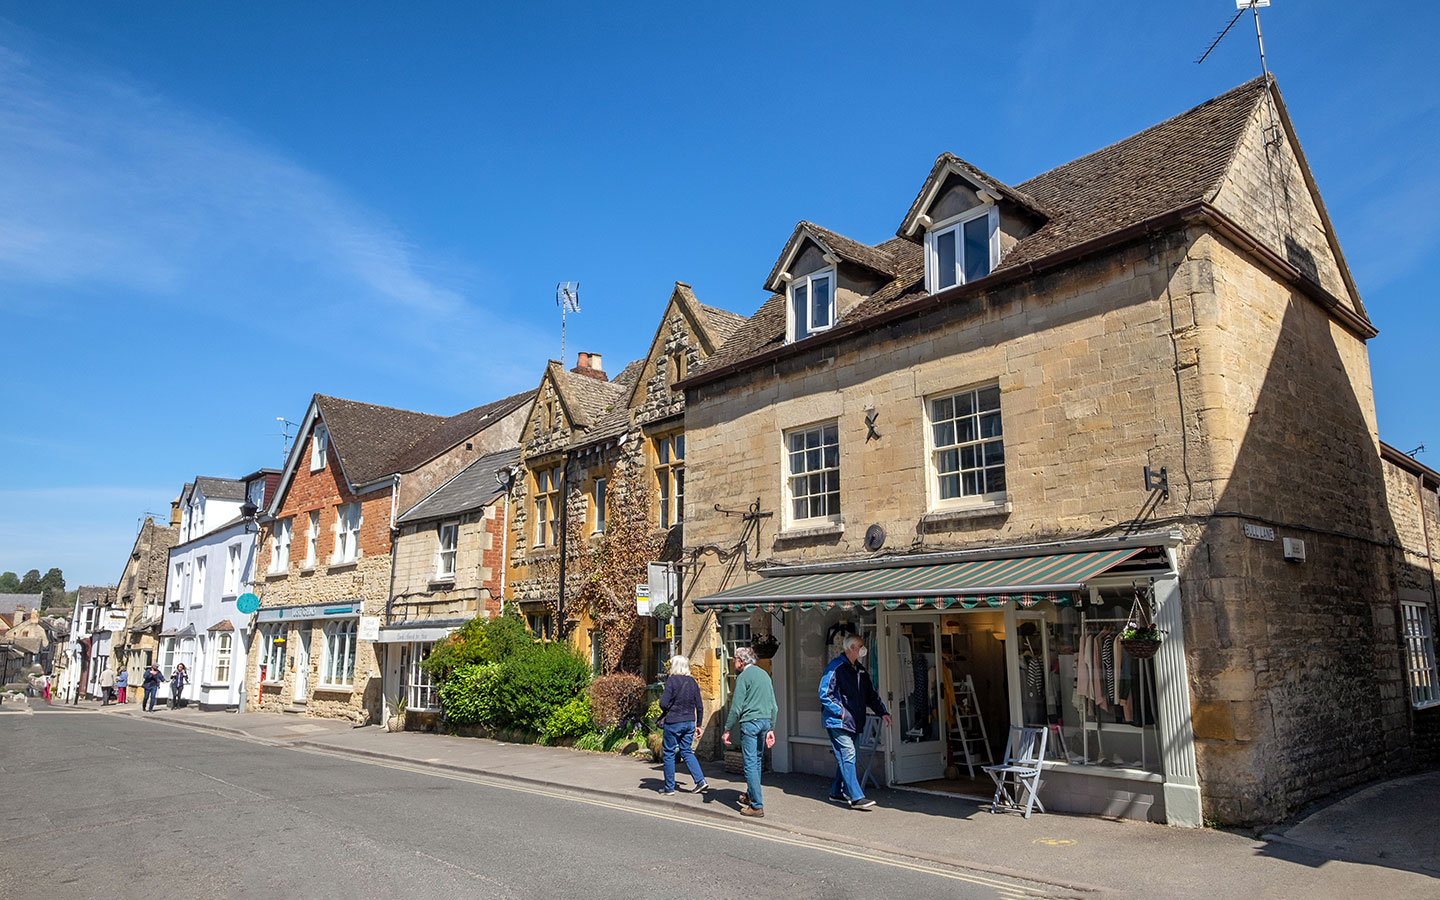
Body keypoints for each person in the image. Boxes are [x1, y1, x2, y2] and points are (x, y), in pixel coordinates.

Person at [819, 633, 891, 810]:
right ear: (851, 648)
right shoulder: (835, 667)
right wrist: (841, 712)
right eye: (861, 646)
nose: (863, 649)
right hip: (838, 722)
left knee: (849, 757)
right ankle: (856, 796)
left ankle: (836, 792)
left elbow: (871, 695)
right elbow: (824, 694)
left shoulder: (860, 670)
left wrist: (883, 712)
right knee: (849, 755)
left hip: (854, 721)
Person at [721, 646, 777, 819]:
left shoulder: (744, 677)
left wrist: (727, 729)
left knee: (750, 763)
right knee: (757, 761)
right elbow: (774, 705)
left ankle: (757, 806)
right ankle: (750, 795)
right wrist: (771, 728)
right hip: (765, 722)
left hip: (750, 724)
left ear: (742, 661)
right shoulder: (764, 675)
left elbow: (737, 707)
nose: (733, 661)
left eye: (735, 658)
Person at [657, 655, 709, 796]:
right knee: (686, 751)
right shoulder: (692, 682)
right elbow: (699, 706)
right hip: (689, 722)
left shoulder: (672, 681)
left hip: (673, 722)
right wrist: (698, 724)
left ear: (675, 666)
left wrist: (669, 708)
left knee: (668, 753)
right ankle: (700, 781)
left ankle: (669, 788)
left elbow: (663, 703)